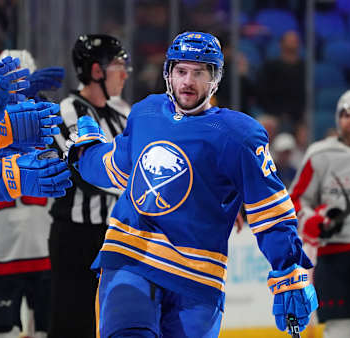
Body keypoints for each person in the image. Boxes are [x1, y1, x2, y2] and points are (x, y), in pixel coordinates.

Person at [67, 31, 318, 337]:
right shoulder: (146, 112)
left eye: (199, 73)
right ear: (168, 74)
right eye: (181, 71)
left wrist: (289, 268)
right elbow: (118, 168)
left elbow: (270, 210)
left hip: (198, 278)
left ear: (215, 79)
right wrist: (86, 153)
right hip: (132, 258)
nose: (187, 82)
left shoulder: (239, 136)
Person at [49, 34, 131, 338]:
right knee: (73, 324)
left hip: (115, 235)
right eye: (118, 65)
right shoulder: (70, 111)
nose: (124, 73)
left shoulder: (121, 114)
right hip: (76, 235)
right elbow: (88, 172)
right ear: (96, 71)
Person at [290, 90, 350, 338]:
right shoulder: (319, 154)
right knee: (339, 330)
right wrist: (310, 219)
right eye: (346, 114)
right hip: (334, 257)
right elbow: (296, 200)